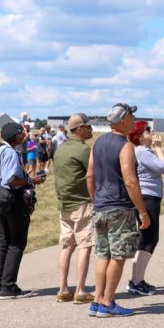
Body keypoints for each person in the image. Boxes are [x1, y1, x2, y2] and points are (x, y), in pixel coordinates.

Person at [87, 102, 150, 317]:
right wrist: (142, 211)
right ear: (122, 120)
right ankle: (108, 302)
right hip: (120, 207)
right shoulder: (125, 146)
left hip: (101, 206)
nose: (133, 121)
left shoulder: (98, 143)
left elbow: (90, 175)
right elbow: (131, 181)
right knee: (118, 256)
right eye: (131, 118)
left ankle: (97, 301)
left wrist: (95, 200)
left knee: (103, 255)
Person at [0, 123, 43, 299]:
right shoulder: (11, 152)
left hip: (0, 201)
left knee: (4, 242)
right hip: (13, 201)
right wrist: (30, 181)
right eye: (22, 133)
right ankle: (8, 287)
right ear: (15, 136)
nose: (25, 136)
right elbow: (11, 179)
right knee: (16, 243)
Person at [52, 113, 96, 304]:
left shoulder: (60, 150)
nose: (91, 129)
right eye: (87, 126)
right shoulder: (84, 150)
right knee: (85, 246)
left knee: (67, 246)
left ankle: (63, 289)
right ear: (79, 129)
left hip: (65, 204)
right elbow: (93, 175)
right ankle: (80, 290)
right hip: (82, 203)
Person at [129, 124, 164, 295]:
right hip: (148, 197)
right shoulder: (142, 152)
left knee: (145, 238)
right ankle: (136, 282)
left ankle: (137, 279)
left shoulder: (142, 151)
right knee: (150, 238)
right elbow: (163, 167)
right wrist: (159, 148)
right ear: (139, 136)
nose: (151, 132)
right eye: (147, 130)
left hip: (148, 196)